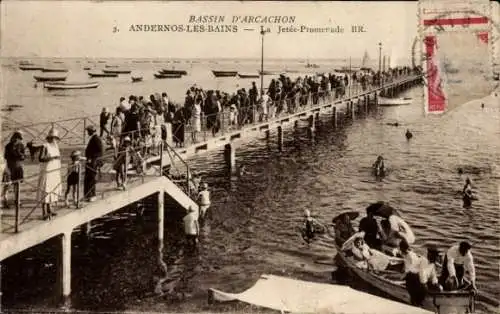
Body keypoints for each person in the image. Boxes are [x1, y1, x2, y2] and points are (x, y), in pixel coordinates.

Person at [37, 128, 62, 220]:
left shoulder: (56, 146)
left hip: (54, 171)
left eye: (55, 138)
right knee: (46, 189)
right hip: (47, 170)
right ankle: (44, 212)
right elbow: (41, 158)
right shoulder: (45, 146)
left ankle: (50, 209)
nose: (54, 140)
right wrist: (51, 158)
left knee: (52, 189)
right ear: (49, 138)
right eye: (52, 138)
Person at [2, 131, 26, 209]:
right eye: (16, 138)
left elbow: (24, 156)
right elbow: (5, 156)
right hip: (10, 167)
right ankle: (5, 201)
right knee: (7, 185)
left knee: (17, 185)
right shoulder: (8, 146)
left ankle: (17, 201)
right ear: (13, 138)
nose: (17, 140)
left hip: (18, 167)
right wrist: (16, 154)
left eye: (18, 139)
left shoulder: (21, 145)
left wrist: (21, 155)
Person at [399, 239, 425, 306]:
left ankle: (413, 301)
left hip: (414, 277)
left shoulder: (408, 256)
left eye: (400, 248)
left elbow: (409, 270)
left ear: (402, 248)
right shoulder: (412, 253)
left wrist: (401, 277)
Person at [84, 125, 104, 202]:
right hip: (90, 162)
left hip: (93, 162)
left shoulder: (96, 139)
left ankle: (92, 195)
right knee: (89, 178)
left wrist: (92, 159)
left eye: (88, 131)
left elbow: (100, 151)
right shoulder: (93, 138)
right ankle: (88, 195)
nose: (87, 132)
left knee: (91, 178)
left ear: (91, 131)